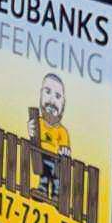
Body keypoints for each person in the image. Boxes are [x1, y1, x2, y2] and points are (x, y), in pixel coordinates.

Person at [28, 72, 71, 201]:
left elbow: (65, 146)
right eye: (47, 92)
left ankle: (57, 194)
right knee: (44, 175)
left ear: (63, 104)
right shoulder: (38, 122)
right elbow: (34, 136)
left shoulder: (62, 131)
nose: (52, 100)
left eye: (57, 96)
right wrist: (31, 130)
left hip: (56, 161)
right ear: (40, 95)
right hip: (42, 158)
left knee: (57, 176)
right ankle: (43, 190)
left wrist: (65, 150)